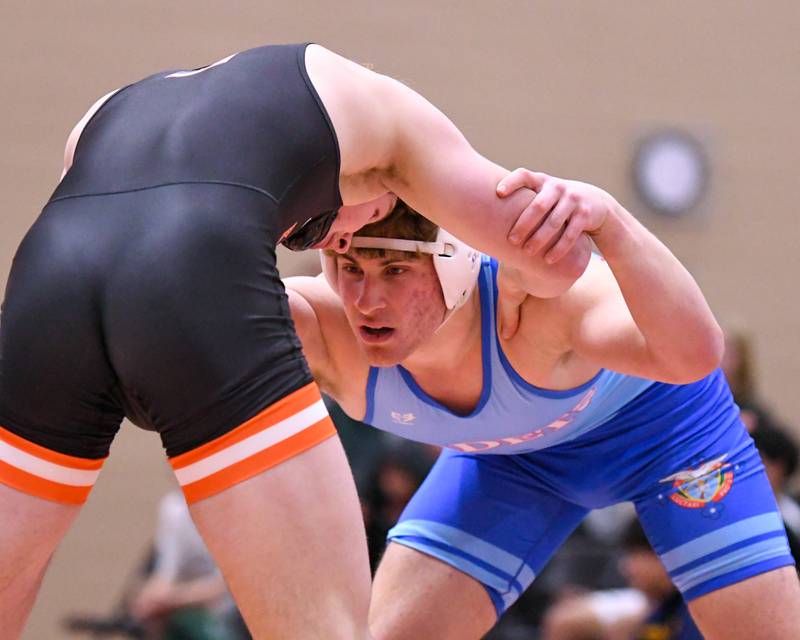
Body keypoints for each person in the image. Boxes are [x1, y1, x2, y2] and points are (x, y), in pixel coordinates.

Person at [0, 44, 590, 639]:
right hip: (193, 268)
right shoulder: (396, 115)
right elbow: (557, 254)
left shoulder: (121, 105)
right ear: (388, 179)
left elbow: (119, 244)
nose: (344, 235)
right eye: (332, 234)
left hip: (47, 274)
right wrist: (525, 273)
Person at [285, 170, 800, 640]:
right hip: (512, 460)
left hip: (669, 439)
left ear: (455, 266)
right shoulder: (318, 325)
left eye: (395, 271)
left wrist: (614, 225)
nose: (365, 301)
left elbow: (695, 354)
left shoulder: (544, 299)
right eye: (348, 266)